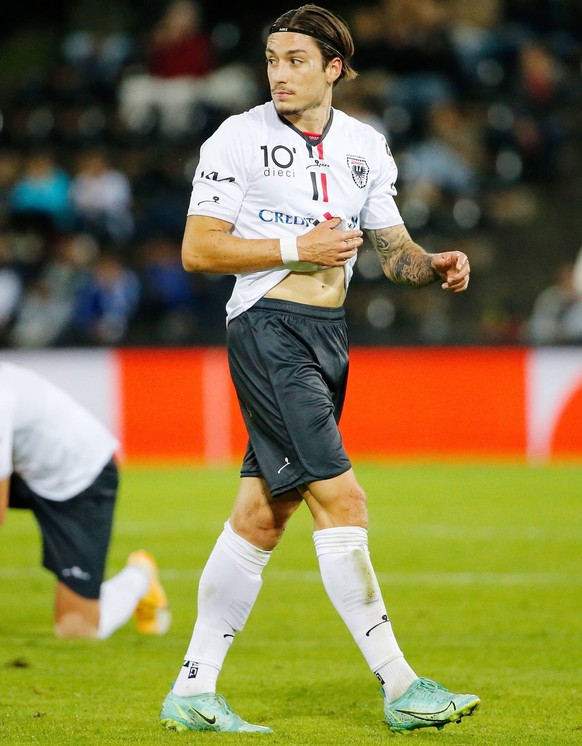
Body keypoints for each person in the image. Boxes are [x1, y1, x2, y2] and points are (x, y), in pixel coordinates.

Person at [160, 4, 478, 734]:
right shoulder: (237, 138)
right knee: (344, 500)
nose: (280, 73)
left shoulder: (364, 146)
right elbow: (199, 250)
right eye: (273, 60)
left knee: (261, 517)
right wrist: (297, 249)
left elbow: (390, 251)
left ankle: (193, 689)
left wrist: (433, 265)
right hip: (268, 329)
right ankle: (400, 686)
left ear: (333, 67)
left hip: (327, 336)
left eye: (296, 59)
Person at [0, 361, 170, 640]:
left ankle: (139, 577)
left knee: (77, 630)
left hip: (81, 480)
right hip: (30, 471)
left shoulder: (2, 399)